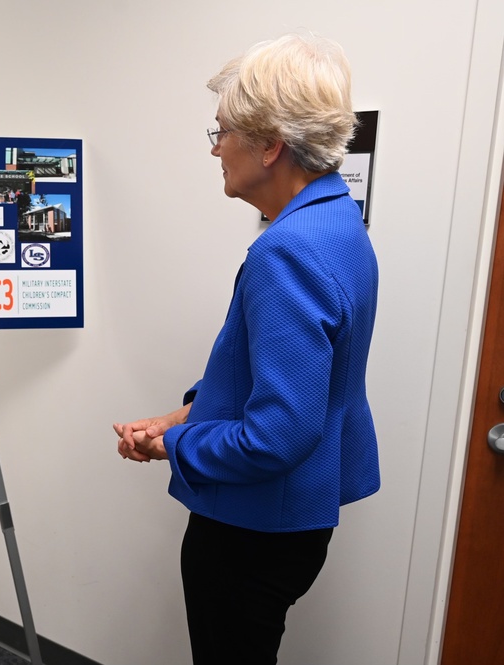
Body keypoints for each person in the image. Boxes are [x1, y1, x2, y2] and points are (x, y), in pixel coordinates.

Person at [113, 33, 379, 665]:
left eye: (223, 131)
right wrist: (183, 415)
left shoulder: (285, 251)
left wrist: (170, 444)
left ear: (270, 145)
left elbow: (278, 433)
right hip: (295, 520)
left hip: (254, 529)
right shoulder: (338, 220)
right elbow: (287, 378)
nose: (216, 149)